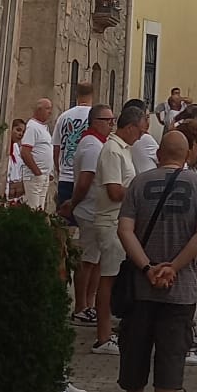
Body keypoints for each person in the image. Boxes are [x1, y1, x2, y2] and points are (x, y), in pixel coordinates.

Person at [116, 129, 197, 392]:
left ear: (159, 153)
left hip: (139, 289)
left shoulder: (139, 183)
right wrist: (174, 266)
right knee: (171, 358)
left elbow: (125, 230)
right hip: (180, 289)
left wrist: (147, 267)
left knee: (135, 353)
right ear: (187, 155)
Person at [91, 101, 146, 352]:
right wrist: (138, 193)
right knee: (108, 279)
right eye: (142, 130)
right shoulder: (113, 150)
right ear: (131, 127)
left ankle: (111, 329)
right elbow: (114, 190)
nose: (143, 135)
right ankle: (102, 336)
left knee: (115, 277)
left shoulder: (123, 149)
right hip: (111, 222)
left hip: (120, 221)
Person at [63, 102, 114, 322]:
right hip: (90, 209)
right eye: (107, 120)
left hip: (97, 209)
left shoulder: (98, 143)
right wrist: (73, 203)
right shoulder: (92, 145)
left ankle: (90, 303)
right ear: (95, 122)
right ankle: (81, 306)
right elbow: (85, 180)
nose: (111, 124)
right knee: (88, 260)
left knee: (96, 260)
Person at [53, 85, 92, 214]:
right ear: (92, 94)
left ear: (76, 93)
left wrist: (60, 169)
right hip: (87, 178)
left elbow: (56, 148)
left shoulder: (63, 117)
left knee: (64, 221)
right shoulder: (95, 117)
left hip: (66, 177)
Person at [19, 97, 55, 210]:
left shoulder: (43, 128)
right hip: (35, 177)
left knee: (40, 208)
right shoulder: (32, 127)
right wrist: (37, 172)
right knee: (33, 208)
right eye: (47, 109)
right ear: (39, 110)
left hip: (44, 176)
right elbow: (25, 152)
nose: (50, 112)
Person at [129, 101, 160, 175]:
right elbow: (164, 161)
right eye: (146, 117)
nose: (148, 121)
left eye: (148, 117)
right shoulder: (145, 139)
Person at [6, 118, 26, 201]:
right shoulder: (6, 147)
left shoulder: (16, 148)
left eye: (23, 132)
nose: (20, 134)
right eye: (18, 130)